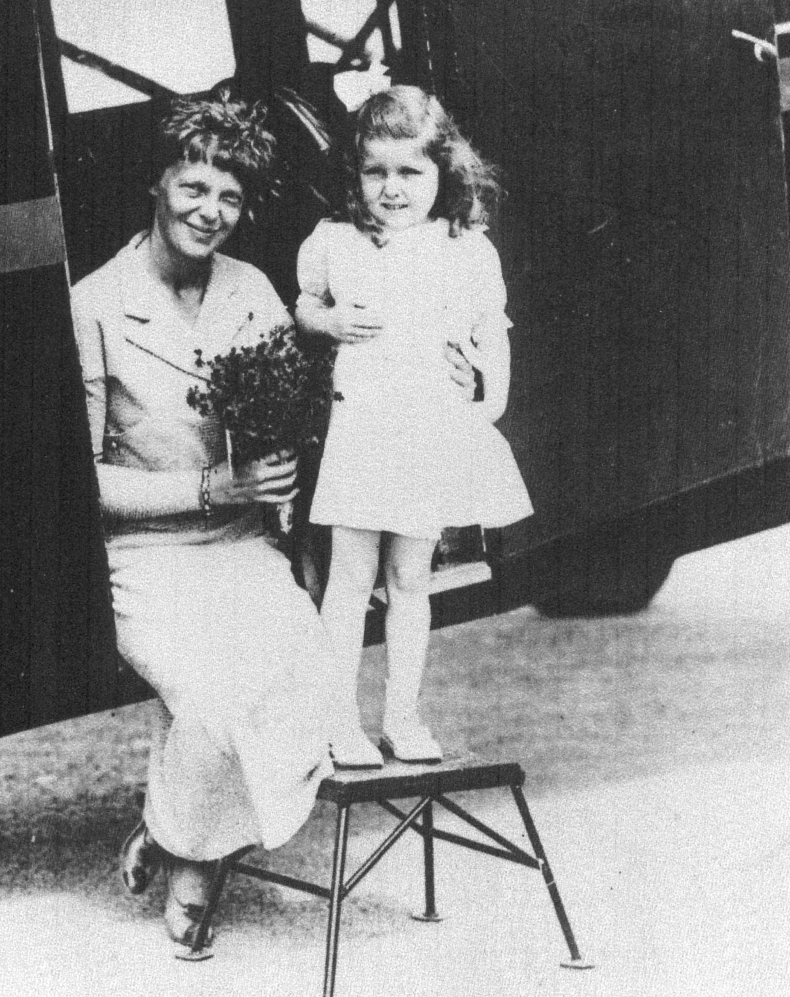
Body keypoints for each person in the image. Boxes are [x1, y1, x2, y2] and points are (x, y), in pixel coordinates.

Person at [70, 93, 336, 949]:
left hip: (244, 547)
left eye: (230, 196)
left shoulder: (251, 289)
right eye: (193, 187)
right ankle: (195, 866)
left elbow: (287, 421)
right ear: (156, 183)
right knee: (217, 701)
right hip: (148, 559)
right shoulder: (95, 302)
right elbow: (83, 483)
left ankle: (171, 830)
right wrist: (215, 486)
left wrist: (283, 489)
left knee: (307, 677)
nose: (209, 210)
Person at [295, 86, 533, 768]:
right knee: (348, 581)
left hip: (426, 432)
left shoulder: (465, 248)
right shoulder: (336, 241)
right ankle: (339, 723)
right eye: (376, 172)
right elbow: (304, 303)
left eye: (409, 171)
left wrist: (487, 396)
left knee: (411, 580)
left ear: (442, 172)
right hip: (363, 432)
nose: (392, 188)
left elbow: (492, 332)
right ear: (355, 175)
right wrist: (328, 321)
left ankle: (402, 717)